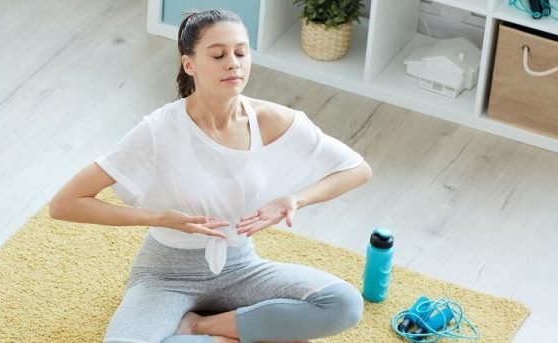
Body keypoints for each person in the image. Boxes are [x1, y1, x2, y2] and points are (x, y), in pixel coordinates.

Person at [48, 9, 373, 343]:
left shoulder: (272, 120)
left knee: (343, 304)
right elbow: (64, 204)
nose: (233, 64)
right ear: (189, 64)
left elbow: (357, 169)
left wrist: (295, 199)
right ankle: (247, 333)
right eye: (218, 55)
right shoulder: (158, 131)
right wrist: (158, 218)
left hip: (241, 267)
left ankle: (199, 327)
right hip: (166, 276)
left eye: (241, 53)